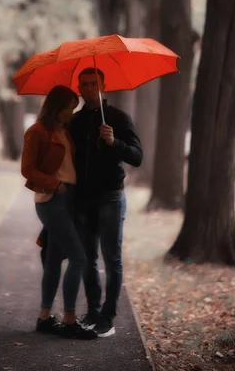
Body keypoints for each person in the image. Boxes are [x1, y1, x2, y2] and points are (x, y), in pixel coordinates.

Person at [68, 67, 143, 338]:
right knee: (87, 260)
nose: (87, 88)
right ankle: (92, 310)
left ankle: (108, 317)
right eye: (83, 84)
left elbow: (137, 156)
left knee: (112, 260)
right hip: (83, 201)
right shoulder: (74, 122)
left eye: (92, 84)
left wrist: (114, 142)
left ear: (103, 86)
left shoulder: (118, 118)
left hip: (111, 198)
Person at [21, 85, 97, 340]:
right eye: (68, 108)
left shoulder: (64, 131)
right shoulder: (37, 132)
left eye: (73, 108)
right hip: (51, 199)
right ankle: (70, 320)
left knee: (54, 260)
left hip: (69, 199)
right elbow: (28, 169)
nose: (71, 113)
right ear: (57, 107)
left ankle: (44, 318)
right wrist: (56, 185)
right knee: (78, 258)